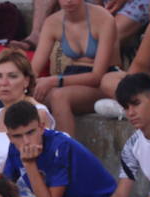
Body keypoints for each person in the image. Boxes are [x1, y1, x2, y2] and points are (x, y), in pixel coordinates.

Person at [0, 100, 118, 197]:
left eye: (30, 132)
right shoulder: (14, 148)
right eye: (17, 136)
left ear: (42, 127)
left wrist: (29, 164)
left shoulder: (59, 146)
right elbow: (4, 190)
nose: (26, 141)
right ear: (9, 137)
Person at [31, 0, 119, 136]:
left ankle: (65, 153)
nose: (69, 1)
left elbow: (97, 76)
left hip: (101, 81)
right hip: (70, 76)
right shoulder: (52, 22)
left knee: (59, 96)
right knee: (25, 93)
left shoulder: (103, 18)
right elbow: (33, 71)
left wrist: (53, 81)